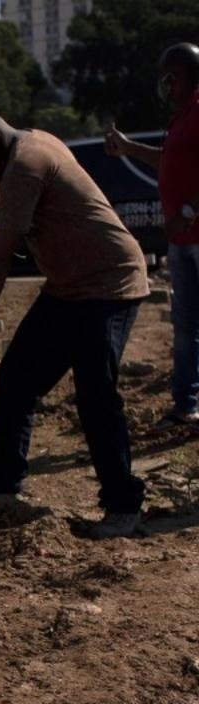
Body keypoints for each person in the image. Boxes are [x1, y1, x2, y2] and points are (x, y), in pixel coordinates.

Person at [0, 106, 149, 538]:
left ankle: (123, 506)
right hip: (67, 287)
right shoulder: (27, 145)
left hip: (110, 283)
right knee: (18, 377)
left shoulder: (26, 162)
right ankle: (2, 486)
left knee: (95, 394)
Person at [106, 42, 199, 432]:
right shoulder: (182, 118)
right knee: (186, 325)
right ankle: (186, 406)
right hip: (182, 243)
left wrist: (188, 213)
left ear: (178, 76)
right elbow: (167, 162)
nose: (163, 86)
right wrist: (128, 148)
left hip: (194, 234)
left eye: (167, 77)